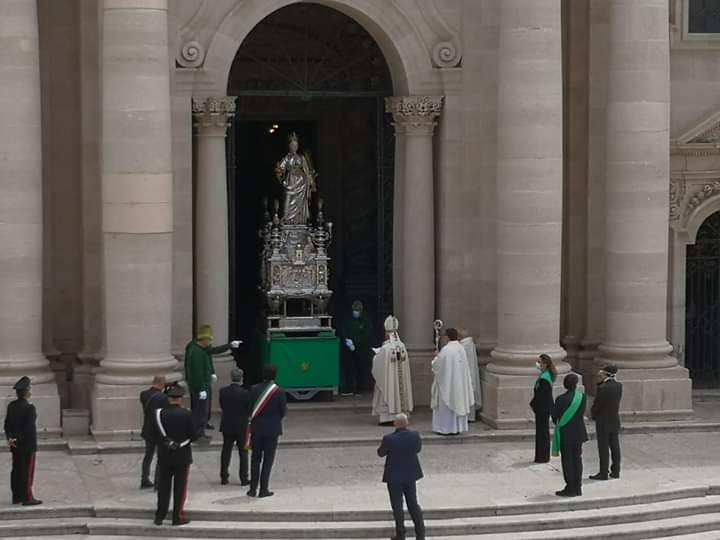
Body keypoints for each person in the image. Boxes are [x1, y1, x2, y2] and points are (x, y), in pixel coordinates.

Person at [184, 324, 240, 439]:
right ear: (203, 339)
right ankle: (198, 432)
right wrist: (200, 389)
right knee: (200, 410)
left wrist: (229, 345)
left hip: (205, 382)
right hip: (200, 385)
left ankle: (202, 426)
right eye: (209, 340)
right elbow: (195, 373)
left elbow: (213, 352)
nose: (210, 342)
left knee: (204, 408)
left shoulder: (203, 348)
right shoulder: (196, 352)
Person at [153, 383, 197, 526]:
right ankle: (177, 517)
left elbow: (155, 434)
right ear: (180, 398)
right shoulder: (187, 414)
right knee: (180, 488)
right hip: (182, 455)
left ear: (169, 398)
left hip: (164, 455)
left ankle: (159, 516)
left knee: (163, 487)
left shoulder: (159, 414)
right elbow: (194, 435)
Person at [377, 413, 426, 540]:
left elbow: (381, 453)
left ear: (395, 424)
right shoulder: (415, 436)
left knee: (397, 506)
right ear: (407, 423)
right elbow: (418, 449)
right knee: (413, 504)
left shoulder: (389, 439)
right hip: (410, 475)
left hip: (394, 477)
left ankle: (401, 534)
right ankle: (420, 534)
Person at [246, 363, 287, 498]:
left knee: (255, 458)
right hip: (272, 429)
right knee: (268, 460)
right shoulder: (279, 392)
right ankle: (264, 489)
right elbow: (283, 411)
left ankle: (252, 489)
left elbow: (249, 407)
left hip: (257, 428)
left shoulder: (253, 389)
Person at [4, 376, 41, 506]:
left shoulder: (11, 406)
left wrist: (11, 439)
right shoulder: (30, 408)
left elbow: (7, 425)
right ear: (27, 391)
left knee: (16, 469)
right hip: (27, 445)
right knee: (27, 471)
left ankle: (17, 496)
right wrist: (17, 438)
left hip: (14, 445)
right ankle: (27, 497)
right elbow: (29, 428)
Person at [430, 328, 475, 435]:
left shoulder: (446, 350)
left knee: (446, 407)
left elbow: (438, 366)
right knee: (457, 402)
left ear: (447, 337)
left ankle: (445, 429)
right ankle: (457, 428)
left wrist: (434, 360)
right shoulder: (461, 348)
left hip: (448, 385)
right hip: (459, 385)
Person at [371, 316, 414, 425]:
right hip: (399, 381)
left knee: (388, 392)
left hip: (389, 381)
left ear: (387, 333)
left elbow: (378, 364)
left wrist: (375, 357)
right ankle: (400, 417)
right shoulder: (402, 346)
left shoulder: (386, 348)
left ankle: (387, 418)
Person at [551, 373, 587, 497]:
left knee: (568, 461)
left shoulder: (561, 399)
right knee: (577, 459)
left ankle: (570, 487)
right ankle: (578, 487)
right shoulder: (582, 397)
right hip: (579, 432)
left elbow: (555, 416)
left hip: (566, 433)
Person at [589, 364, 622, 480]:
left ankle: (603, 472)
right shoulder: (619, 386)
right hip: (614, 419)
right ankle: (616, 471)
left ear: (605, 374)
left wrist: (593, 414)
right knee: (615, 446)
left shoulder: (602, 388)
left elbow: (598, 405)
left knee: (603, 447)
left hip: (603, 421)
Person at [219, 368, 251, 486]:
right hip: (241, 426)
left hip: (227, 424)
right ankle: (244, 478)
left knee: (226, 451)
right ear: (241, 379)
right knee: (243, 452)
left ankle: (223, 476)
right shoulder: (246, 393)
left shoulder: (223, 391)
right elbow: (249, 409)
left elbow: (222, 406)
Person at [338, 300, 374, 396]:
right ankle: (349, 388)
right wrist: (348, 341)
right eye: (354, 310)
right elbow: (344, 329)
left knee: (360, 369)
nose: (355, 312)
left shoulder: (366, 320)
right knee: (348, 368)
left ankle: (360, 389)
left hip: (361, 349)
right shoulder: (348, 318)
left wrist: (355, 342)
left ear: (361, 311)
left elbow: (367, 334)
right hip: (349, 348)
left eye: (357, 310)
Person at [140, 375, 169, 489]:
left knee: (148, 455)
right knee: (161, 456)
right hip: (159, 430)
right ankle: (158, 481)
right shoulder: (163, 397)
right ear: (161, 383)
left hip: (148, 428)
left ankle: (144, 478)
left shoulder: (143, 394)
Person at [530, 354, 556, 463]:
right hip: (542, 407)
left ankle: (542, 456)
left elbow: (541, 395)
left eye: (539, 362)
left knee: (542, 432)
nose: (538, 364)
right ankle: (541, 455)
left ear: (545, 364)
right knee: (542, 431)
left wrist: (533, 404)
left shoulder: (545, 378)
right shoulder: (545, 375)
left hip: (542, 408)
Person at [458, 329, 482, 421]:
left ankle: (468, 417)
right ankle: (470, 416)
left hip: (464, 374)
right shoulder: (469, 344)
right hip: (468, 372)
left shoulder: (464, 346)